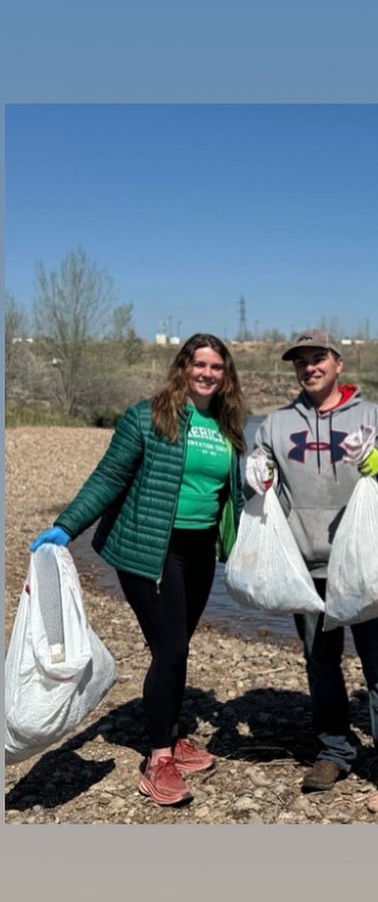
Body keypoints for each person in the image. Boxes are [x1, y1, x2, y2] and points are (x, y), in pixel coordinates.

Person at [30, 334, 246, 807]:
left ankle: (171, 732)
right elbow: (109, 477)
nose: (208, 374)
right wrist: (66, 527)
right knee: (170, 648)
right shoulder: (148, 418)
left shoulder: (227, 423)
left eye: (217, 367)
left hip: (200, 551)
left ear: (226, 375)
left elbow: (232, 491)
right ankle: (159, 760)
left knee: (177, 646)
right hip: (151, 549)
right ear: (183, 367)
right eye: (200, 364)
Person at [245, 329, 378, 803]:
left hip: (365, 567)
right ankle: (335, 749)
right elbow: (257, 465)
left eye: (318, 358)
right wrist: (252, 470)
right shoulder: (276, 424)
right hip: (306, 569)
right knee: (321, 665)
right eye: (301, 361)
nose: (309, 367)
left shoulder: (372, 416)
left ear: (339, 363)